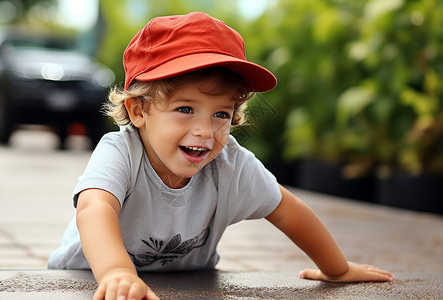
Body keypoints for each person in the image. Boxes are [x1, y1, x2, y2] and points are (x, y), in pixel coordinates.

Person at [48, 12, 394, 300]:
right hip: (89, 280)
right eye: (185, 109)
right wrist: (116, 272)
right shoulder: (121, 150)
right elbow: (94, 207)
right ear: (139, 111)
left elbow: (288, 211)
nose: (204, 131)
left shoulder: (230, 163)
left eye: (221, 114)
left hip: (191, 284)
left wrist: (338, 269)